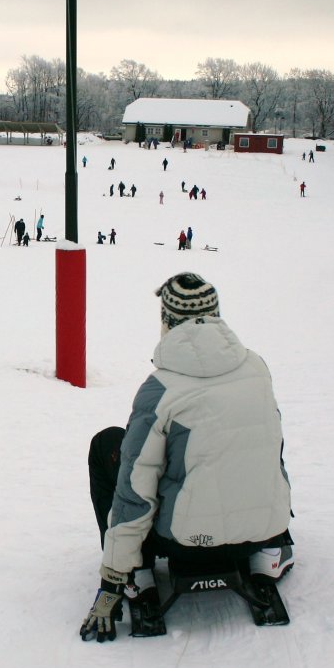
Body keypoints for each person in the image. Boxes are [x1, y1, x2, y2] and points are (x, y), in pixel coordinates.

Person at [79, 273, 292, 643]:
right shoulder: (257, 367)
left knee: (109, 445)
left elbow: (134, 490)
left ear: (167, 323)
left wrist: (112, 577)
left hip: (188, 541)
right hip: (263, 527)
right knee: (249, 439)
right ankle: (270, 552)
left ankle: (138, 571)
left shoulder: (161, 389)